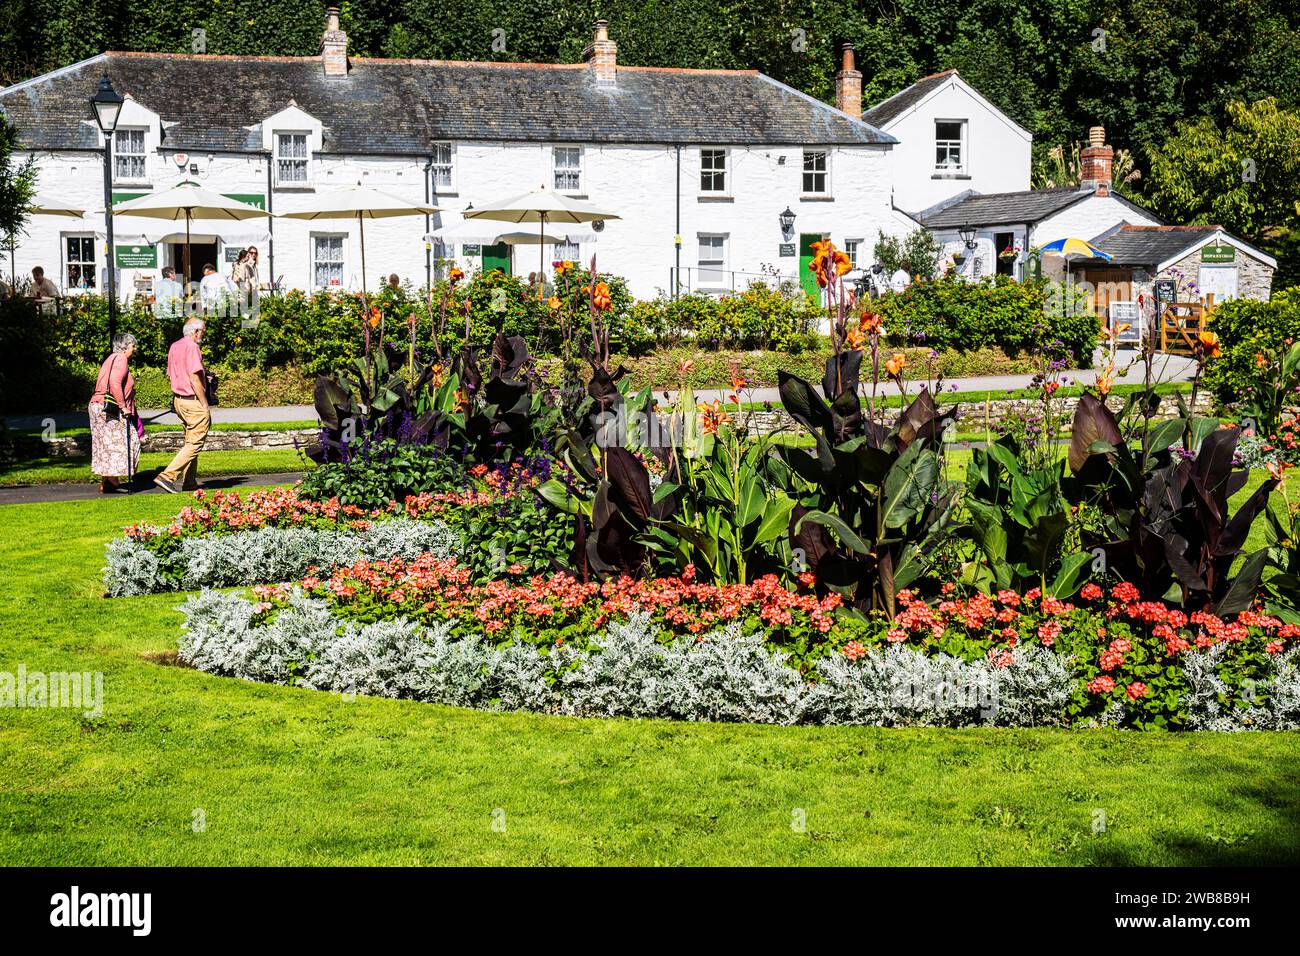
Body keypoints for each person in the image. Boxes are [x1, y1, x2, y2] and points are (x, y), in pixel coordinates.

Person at [154, 318, 209, 494]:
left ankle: (190, 482)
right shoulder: (192, 347)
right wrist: (204, 403)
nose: (203, 336)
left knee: (190, 442)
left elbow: (172, 373)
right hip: (192, 400)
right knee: (195, 443)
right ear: (195, 331)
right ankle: (167, 476)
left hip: (178, 400)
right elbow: (193, 377)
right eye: (203, 332)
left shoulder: (175, 346)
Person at [89, 333, 141, 494]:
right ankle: (111, 479)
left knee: (107, 443)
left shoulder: (111, 358)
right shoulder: (120, 359)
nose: (134, 349)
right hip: (108, 408)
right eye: (133, 346)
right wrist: (123, 406)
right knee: (131, 440)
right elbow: (114, 383)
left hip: (97, 405)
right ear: (125, 347)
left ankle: (109, 481)